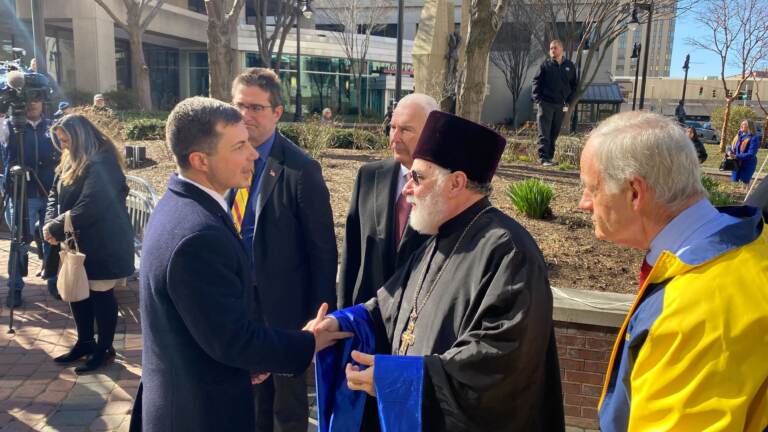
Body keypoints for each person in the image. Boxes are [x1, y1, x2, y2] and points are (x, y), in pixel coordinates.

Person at [314, 111, 565, 431]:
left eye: (417, 177)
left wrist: (399, 379)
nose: (406, 189)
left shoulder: (509, 252)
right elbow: (389, 308)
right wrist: (338, 325)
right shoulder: (437, 234)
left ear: (456, 182)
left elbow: (497, 362)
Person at [132, 96, 348, 432]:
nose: (254, 154)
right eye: (239, 146)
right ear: (200, 160)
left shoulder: (180, 205)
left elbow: (211, 328)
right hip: (198, 414)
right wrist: (309, 342)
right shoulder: (198, 235)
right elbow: (234, 341)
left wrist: (251, 361)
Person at [577, 111, 768, 431]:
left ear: (635, 192)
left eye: (592, 188)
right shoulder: (751, 244)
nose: (584, 203)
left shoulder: (694, 309)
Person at [230, 68, 337, 432]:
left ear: (277, 113)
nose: (246, 115)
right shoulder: (223, 159)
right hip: (238, 303)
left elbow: (323, 250)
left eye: (256, 108)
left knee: (286, 405)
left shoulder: (301, 169)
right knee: (248, 395)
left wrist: (318, 316)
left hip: (284, 310)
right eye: (240, 105)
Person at [42, 114, 135, 373]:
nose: (63, 145)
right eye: (59, 141)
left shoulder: (103, 161)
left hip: (104, 241)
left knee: (100, 293)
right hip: (77, 239)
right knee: (77, 291)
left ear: (81, 137)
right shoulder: (70, 159)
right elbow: (53, 193)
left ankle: (104, 349)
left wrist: (57, 226)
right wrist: (50, 223)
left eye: (66, 140)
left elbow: (92, 203)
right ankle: (85, 342)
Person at [338, 92, 436, 309]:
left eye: (406, 130)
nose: (394, 137)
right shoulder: (369, 176)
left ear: (432, 132)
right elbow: (352, 251)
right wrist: (343, 314)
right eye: (393, 128)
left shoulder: (448, 187)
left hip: (418, 319)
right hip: (366, 317)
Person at [3, 97, 58, 307]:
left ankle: (53, 279)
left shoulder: (53, 126)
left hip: (50, 191)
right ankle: (15, 288)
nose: (31, 104)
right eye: (27, 100)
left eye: (36, 99)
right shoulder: (8, 126)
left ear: (44, 101)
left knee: (53, 238)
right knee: (20, 242)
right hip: (22, 193)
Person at [532, 39, 577, 166]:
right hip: (545, 103)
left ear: (562, 49)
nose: (552, 50)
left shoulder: (570, 66)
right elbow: (536, 82)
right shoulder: (545, 65)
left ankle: (549, 158)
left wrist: (569, 101)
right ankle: (543, 158)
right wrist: (538, 99)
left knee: (554, 131)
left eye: (555, 48)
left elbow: (574, 85)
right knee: (544, 131)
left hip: (560, 105)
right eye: (551, 48)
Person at [726, 119, 761, 184]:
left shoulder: (754, 138)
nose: (741, 125)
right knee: (734, 183)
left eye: (744, 124)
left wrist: (736, 156)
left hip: (747, 165)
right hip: (736, 164)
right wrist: (729, 152)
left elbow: (751, 154)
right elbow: (730, 146)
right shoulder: (738, 136)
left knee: (743, 184)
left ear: (749, 126)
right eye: (741, 124)